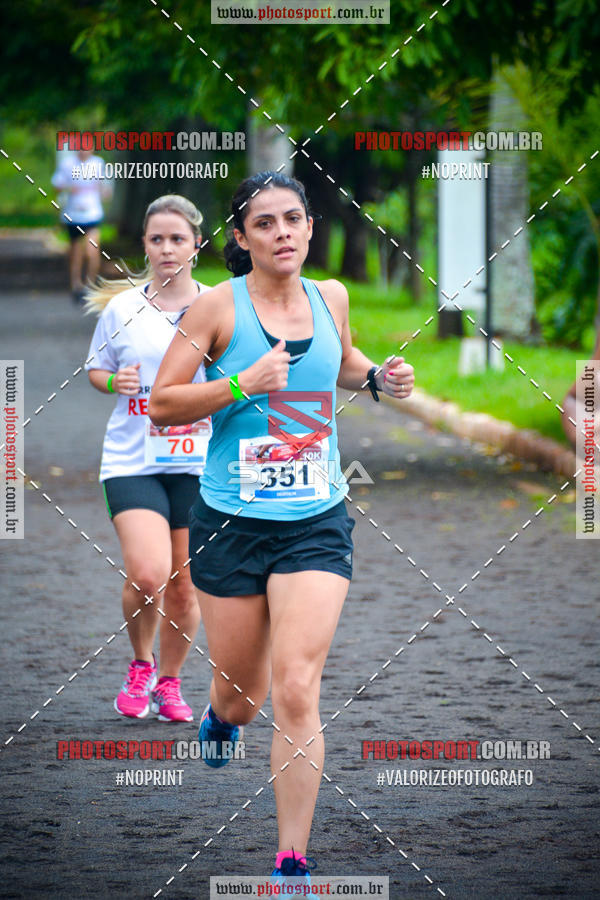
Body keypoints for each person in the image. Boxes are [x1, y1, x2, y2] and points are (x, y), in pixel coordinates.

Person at [149, 172, 415, 877]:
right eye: (264, 224)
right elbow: (163, 403)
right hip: (229, 523)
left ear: (309, 226)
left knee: (297, 686)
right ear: (240, 238)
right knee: (243, 698)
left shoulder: (332, 296)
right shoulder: (216, 309)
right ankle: (218, 714)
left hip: (314, 520)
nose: (283, 233)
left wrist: (377, 377)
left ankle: (291, 863)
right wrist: (241, 383)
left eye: (293, 219)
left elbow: (342, 360)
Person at [84, 194, 211, 722]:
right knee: (147, 574)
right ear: (144, 245)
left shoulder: (218, 305)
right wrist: (115, 380)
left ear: (197, 245)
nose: (166, 249)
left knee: (184, 582)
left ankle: (170, 683)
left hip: (198, 460)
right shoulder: (122, 308)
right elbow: (95, 370)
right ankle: (141, 663)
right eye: (156, 239)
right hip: (132, 457)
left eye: (177, 239)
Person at [52, 147, 112, 304]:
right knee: (76, 253)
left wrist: (104, 191)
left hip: (92, 215)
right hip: (73, 216)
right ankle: (76, 285)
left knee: (92, 251)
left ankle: (90, 286)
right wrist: (69, 188)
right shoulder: (67, 164)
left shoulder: (98, 163)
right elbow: (57, 186)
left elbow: (106, 188)